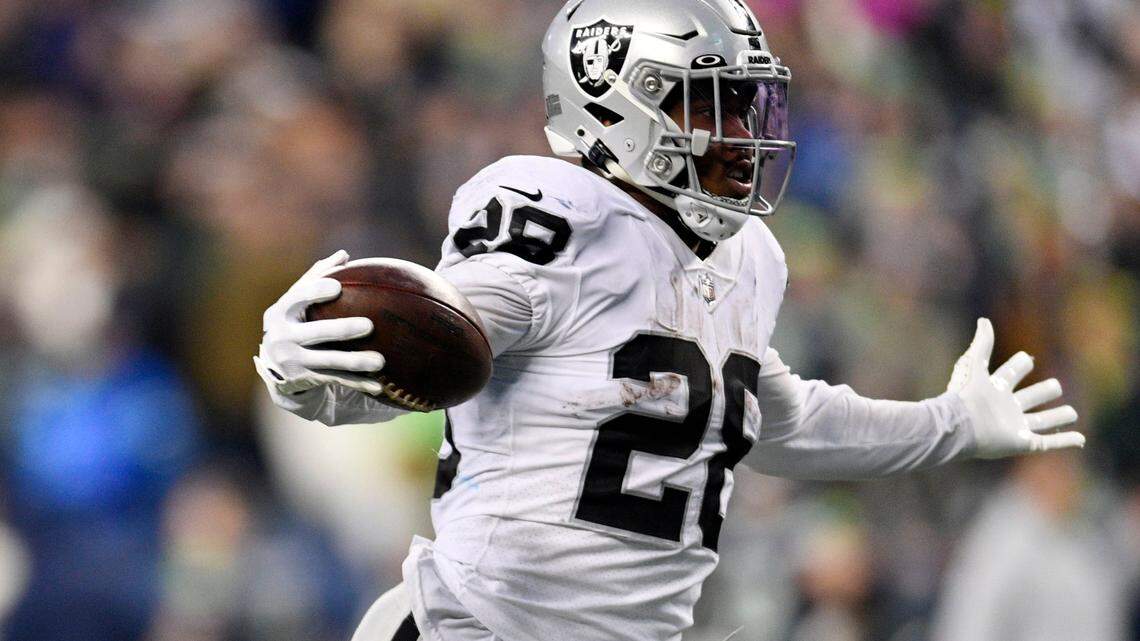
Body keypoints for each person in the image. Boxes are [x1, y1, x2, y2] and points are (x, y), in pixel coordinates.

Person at [254, 1, 1084, 639]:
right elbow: (446, 341)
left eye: (744, 107)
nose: (736, 136)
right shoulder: (559, 214)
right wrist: (308, 371)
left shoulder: (749, 256)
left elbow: (782, 423)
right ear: (610, 107)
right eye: (705, 107)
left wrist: (952, 422)